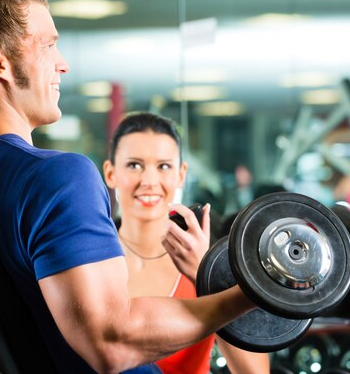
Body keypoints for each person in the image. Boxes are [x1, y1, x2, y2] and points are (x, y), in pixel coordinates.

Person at [0, 0, 256, 374]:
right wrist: (249, 292)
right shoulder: (57, 177)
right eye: (49, 45)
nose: (62, 63)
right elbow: (111, 344)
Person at [102, 112, 270, 374]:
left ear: (180, 175)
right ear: (111, 173)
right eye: (134, 165)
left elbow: (254, 373)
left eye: (164, 166)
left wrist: (204, 275)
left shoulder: (206, 263)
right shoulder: (90, 260)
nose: (149, 181)